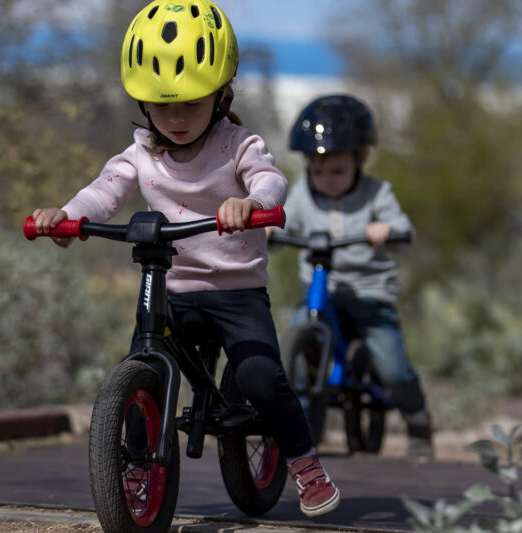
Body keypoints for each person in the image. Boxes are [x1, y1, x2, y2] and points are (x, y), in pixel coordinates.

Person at [30, 0, 340, 518]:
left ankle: (305, 462)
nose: (175, 117)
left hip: (236, 290)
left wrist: (254, 203)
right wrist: (65, 216)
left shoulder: (238, 144)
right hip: (170, 285)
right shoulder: (140, 155)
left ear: (221, 95)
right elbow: (104, 191)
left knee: (262, 377)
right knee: (140, 369)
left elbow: (270, 179)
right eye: (161, 104)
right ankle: (134, 470)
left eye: (191, 103)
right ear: (142, 100)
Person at [270, 94, 435, 459]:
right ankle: (295, 427)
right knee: (293, 347)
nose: (325, 180)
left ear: (360, 158)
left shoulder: (378, 193)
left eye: (337, 171)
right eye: (316, 171)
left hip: (368, 293)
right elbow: (282, 220)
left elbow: (403, 230)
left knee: (392, 365)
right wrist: (268, 231)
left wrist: (385, 230)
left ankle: (418, 421)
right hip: (320, 293)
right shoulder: (301, 194)